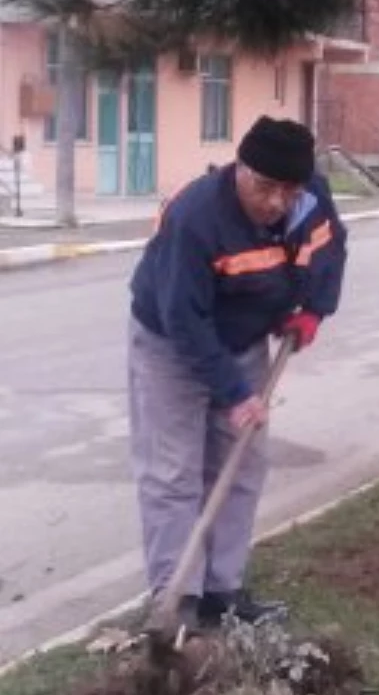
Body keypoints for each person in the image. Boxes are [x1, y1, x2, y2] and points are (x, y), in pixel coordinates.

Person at [129, 116, 347, 629]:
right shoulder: (196, 216)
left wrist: (314, 309)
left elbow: (332, 250)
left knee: (241, 465)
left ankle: (222, 594)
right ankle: (177, 602)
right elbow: (183, 317)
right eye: (264, 186)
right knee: (172, 473)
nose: (275, 201)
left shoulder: (310, 198)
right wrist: (233, 393)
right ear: (240, 169)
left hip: (246, 338)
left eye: (287, 190)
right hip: (171, 345)